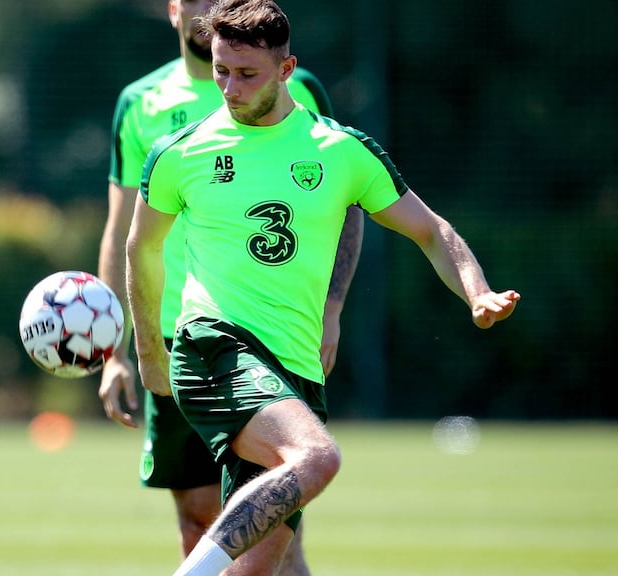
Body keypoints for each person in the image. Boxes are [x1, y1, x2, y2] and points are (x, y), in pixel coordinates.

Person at [125, 0, 521, 574]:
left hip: (295, 372)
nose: (229, 89)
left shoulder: (340, 150)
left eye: (246, 74)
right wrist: (147, 353)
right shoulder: (180, 153)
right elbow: (141, 248)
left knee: (255, 570)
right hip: (214, 350)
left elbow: (432, 231)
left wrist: (476, 291)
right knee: (317, 458)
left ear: (287, 71)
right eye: (220, 71)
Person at [97, 0, 362, 574]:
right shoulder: (141, 104)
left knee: (278, 518)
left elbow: (349, 190)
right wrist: (116, 348)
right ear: (174, 11)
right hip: (176, 338)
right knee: (198, 521)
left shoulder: (301, 88)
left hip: (271, 332)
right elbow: (124, 231)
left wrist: (332, 307)